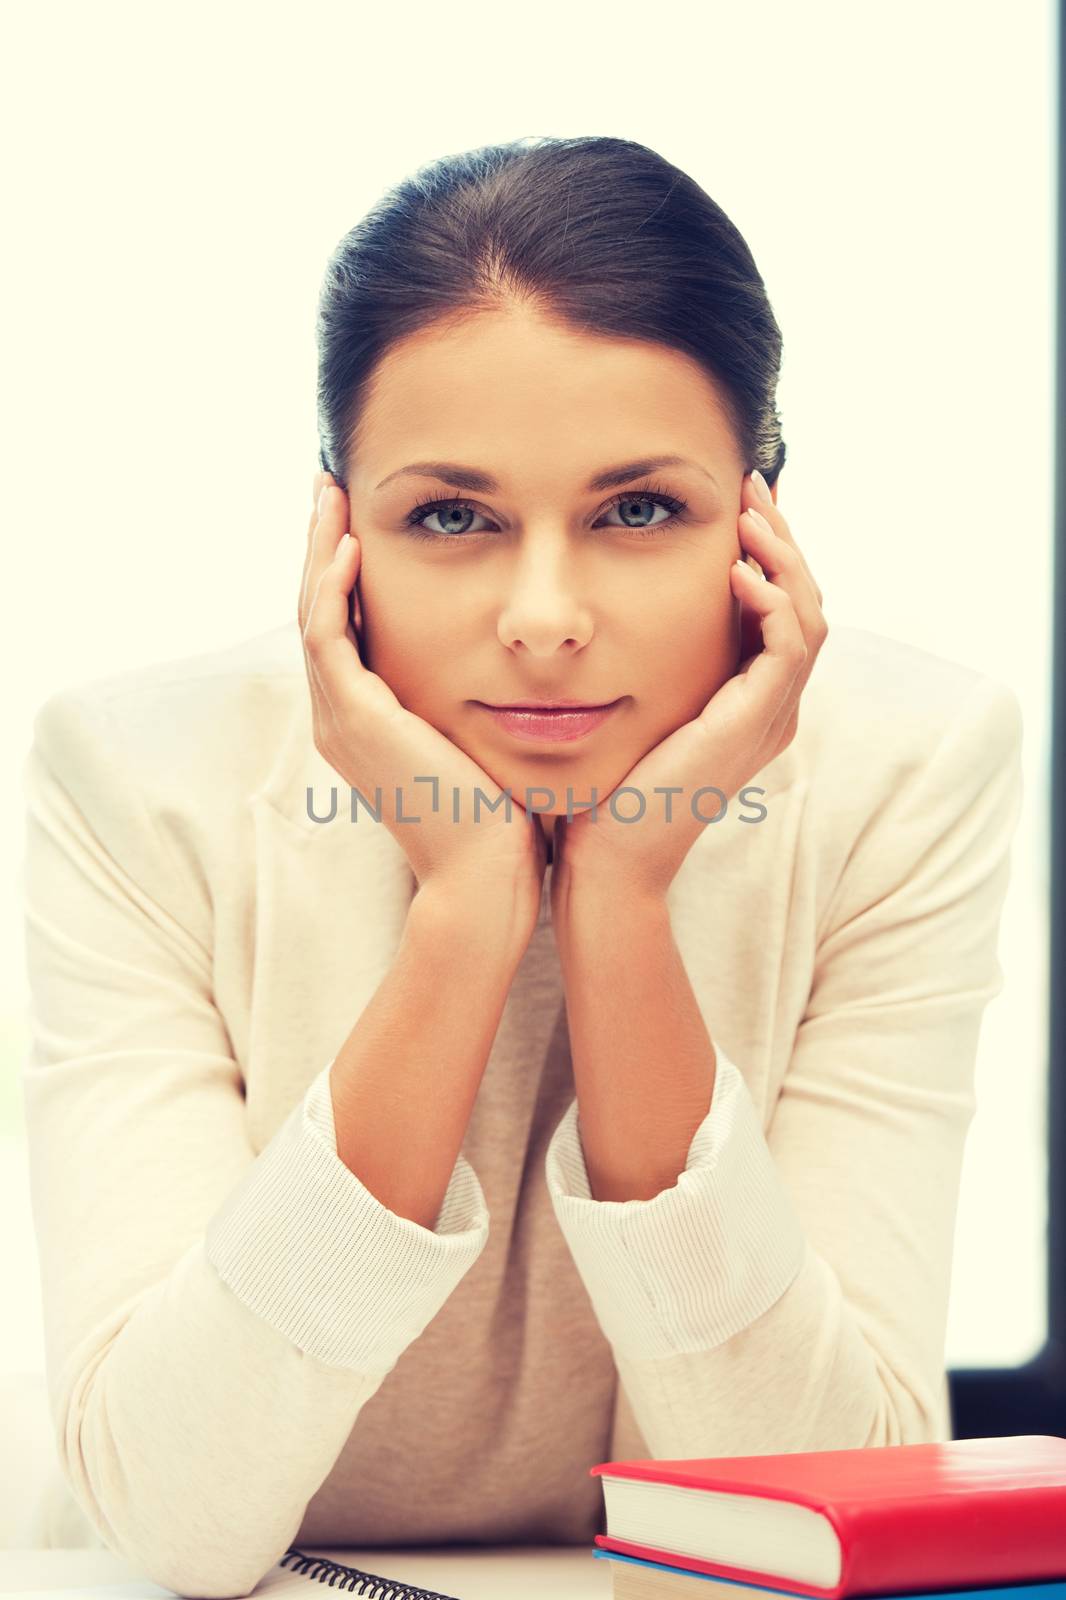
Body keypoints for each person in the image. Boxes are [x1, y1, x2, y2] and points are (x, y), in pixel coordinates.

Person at [20, 135, 1023, 1598]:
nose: (543, 617)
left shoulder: (905, 770)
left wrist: (618, 904)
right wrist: (467, 914)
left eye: (636, 510)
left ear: (759, 520)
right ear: (335, 535)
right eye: (450, 516)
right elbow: (173, 1517)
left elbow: (815, 1499)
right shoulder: (137, 776)